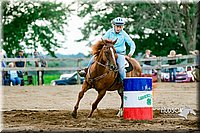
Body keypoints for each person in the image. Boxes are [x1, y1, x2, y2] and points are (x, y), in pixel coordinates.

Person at [78, 17, 136, 82]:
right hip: (109, 52)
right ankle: (86, 70)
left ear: (122, 27)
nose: (118, 28)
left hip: (119, 54)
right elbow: (103, 40)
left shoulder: (124, 34)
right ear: (114, 25)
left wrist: (131, 52)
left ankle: (124, 84)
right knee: (94, 58)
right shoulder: (109, 32)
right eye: (117, 26)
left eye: (120, 27)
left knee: (121, 70)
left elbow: (131, 43)